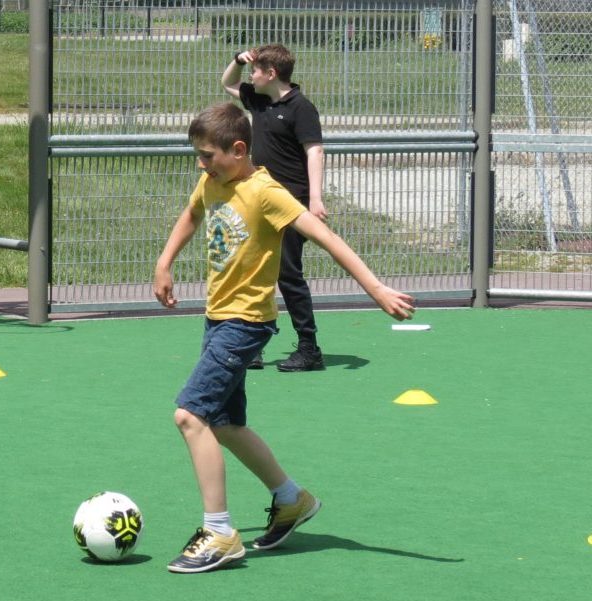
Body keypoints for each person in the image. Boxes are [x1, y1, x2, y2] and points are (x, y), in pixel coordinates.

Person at [153, 102, 414, 573]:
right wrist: (164, 262)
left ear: (238, 149)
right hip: (217, 318)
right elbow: (191, 215)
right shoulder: (213, 181)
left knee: (190, 416)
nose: (200, 163)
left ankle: (219, 532)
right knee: (225, 425)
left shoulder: (265, 192)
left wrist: (375, 288)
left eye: (207, 155)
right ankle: (291, 499)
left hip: (246, 323)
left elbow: (325, 236)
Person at [221, 44, 326, 372]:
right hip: (259, 200)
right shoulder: (260, 100)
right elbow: (228, 82)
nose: (251, 74)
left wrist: (316, 199)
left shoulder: (301, 108)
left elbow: (315, 152)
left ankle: (309, 349)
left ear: (271, 74)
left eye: (256, 70)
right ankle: (254, 345)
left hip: (291, 201)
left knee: (288, 274)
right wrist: (238, 60)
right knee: (253, 268)